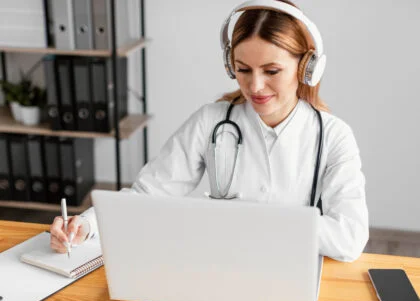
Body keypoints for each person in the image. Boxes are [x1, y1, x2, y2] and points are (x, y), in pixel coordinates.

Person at [50, 0, 369, 262]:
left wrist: (260, 221)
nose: (255, 86)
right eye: (243, 70)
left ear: (307, 68)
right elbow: (148, 196)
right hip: (223, 266)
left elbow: (350, 238)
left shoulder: (334, 136)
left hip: (292, 271)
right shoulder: (212, 122)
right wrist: (86, 225)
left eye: (272, 71)